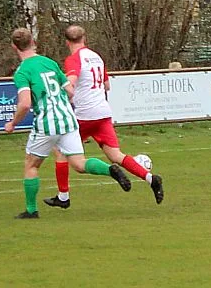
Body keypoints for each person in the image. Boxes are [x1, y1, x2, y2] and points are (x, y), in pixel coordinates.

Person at [5, 28, 130, 219]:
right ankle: (110, 170)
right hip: (68, 119)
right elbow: (70, 91)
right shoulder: (50, 63)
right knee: (79, 163)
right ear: (33, 42)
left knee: (31, 165)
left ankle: (31, 210)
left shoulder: (22, 72)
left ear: (14, 47)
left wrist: (13, 123)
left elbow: (25, 104)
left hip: (47, 123)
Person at [43, 25, 164, 207]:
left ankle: (63, 197)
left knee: (60, 150)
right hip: (103, 112)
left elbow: (71, 84)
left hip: (84, 115)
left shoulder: (74, 59)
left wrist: (58, 95)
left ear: (67, 42)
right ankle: (150, 178)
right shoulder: (96, 57)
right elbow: (107, 85)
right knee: (116, 154)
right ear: (84, 38)